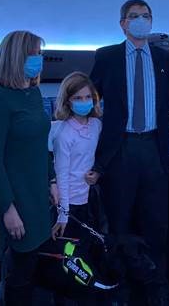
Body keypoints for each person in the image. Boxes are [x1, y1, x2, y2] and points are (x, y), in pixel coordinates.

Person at [90, 0, 169, 306]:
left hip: (153, 148)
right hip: (120, 150)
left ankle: (157, 285)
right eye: (134, 16)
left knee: (157, 223)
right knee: (119, 221)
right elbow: (91, 98)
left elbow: (168, 102)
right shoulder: (107, 56)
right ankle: (120, 286)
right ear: (123, 24)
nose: (141, 20)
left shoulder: (164, 57)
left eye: (146, 15)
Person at [0, 30, 57, 305]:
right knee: (20, 277)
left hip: (39, 196)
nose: (38, 60)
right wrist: (8, 209)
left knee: (37, 271)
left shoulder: (33, 93)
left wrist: (52, 181)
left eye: (40, 54)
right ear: (15, 57)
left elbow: (41, 144)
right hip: (17, 199)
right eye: (33, 54)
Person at [48, 71, 102, 241]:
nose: (84, 102)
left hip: (91, 199)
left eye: (88, 97)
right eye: (78, 98)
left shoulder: (96, 125)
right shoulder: (64, 133)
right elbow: (61, 174)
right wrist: (63, 214)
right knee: (71, 250)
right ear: (67, 101)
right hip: (70, 203)